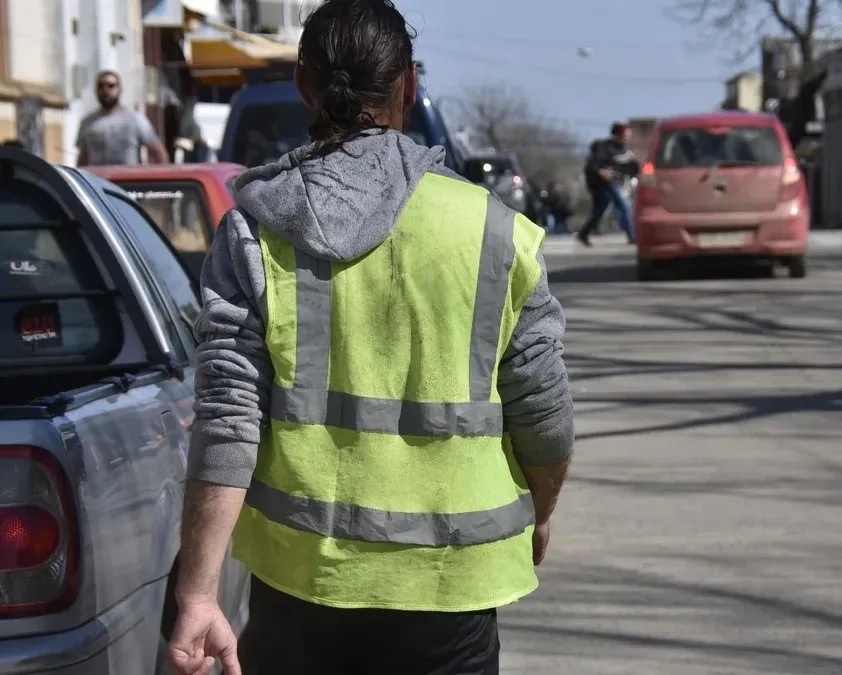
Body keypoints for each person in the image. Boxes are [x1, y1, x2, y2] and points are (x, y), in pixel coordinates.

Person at [166, 2, 574, 674]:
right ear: (409, 86)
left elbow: (227, 421)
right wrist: (544, 504)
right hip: (450, 590)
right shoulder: (495, 233)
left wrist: (198, 592)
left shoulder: (254, 233)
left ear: (303, 85)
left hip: (301, 587)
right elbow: (544, 412)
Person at [76, 71, 168, 166]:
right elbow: (83, 158)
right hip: (95, 179)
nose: (105, 90)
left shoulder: (135, 119)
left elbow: (160, 154)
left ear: (119, 89)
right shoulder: (87, 123)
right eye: (101, 86)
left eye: (111, 86)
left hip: (127, 179)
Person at [576, 122, 639, 246]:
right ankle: (632, 236)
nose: (627, 138)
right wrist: (601, 172)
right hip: (600, 183)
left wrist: (633, 163)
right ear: (617, 135)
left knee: (600, 211)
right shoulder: (603, 147)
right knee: (623, 206)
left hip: (612, 182)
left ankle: (583, 233)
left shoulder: (624, 150)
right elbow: (593, 163)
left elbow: (632, 169)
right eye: (625, 135)